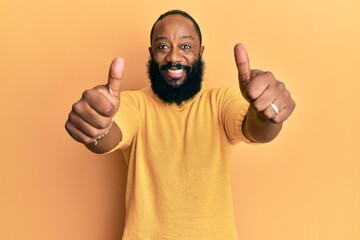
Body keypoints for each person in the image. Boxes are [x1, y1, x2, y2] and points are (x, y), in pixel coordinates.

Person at [65, 9, 295, 240]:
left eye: (185, 47)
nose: (174, 57)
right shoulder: (134, 104)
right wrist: (97, 126)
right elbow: (109, 135)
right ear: (151, 53)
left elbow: (255, 130)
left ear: (200, 52)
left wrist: (266, 115)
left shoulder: (221, 102)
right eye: (163, 47)